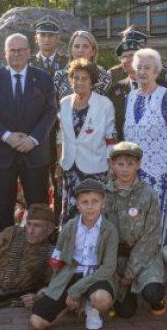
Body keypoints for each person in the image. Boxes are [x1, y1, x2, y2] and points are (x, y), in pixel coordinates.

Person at [0, 33, 57, 233]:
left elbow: (50, 112)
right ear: (5, 54)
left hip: (34, 152)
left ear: (29, 52)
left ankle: (39, 255)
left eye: (21, 50)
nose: (16, 54)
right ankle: (4, 254)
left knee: (38, 208)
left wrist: (33, 139)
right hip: (3, 153)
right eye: (12, 50)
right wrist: (7, 136)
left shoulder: (43, 78)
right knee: (4, 209)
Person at [31, 180, 117, 330]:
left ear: (103, 203)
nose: (90, 206)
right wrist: (54, 287)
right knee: (37, 322)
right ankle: (72, 305)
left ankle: (92, 309)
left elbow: (108, 268)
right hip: (71, 273)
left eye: (94, 201)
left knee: (101, 299)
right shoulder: (69, 227)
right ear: (78, 205)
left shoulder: (109, 230)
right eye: (85, 202)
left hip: (97, 275)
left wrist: (75, 290)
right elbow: (57, 258)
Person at [123, 48, 167, 248]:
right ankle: (143, 263)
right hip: (135, 174)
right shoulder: (130, 97)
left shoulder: (166, 96)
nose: (142, 71)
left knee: (161, 222)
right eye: (139, 67)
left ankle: (164, 264)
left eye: (147, 67)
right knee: (138, 220)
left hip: (162, 172)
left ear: (157, 72)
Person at [104, 142, 166, 318]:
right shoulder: (105, 194)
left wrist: (131, 272)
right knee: (125, 313)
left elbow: (151, 237)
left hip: (145, 255)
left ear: (138, 164)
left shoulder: (148, 193)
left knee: (153, 293)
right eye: (120, 164)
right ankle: (127, 293)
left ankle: (155, 294)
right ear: (112, 164)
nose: (125, 170)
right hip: (117, 258)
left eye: (130, 164)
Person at [57, 59, 117, 222]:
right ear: (70, 80)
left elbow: (110, 137)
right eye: (76, 78)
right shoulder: (63, 103)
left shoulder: (104, 104)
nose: (80, 82)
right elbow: (61, 135)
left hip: (95, 168)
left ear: (92, 82)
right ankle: (71, 246)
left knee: (92, 213)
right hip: (70, 168)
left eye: (85, 78)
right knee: (71, 213)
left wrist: (111, 165)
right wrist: (59, 163)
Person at [30, 18, 68, 221]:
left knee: (60, 177)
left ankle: (58, 224)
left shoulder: (67, 63)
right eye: (42, 35)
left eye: (50, 35)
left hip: (62, 128)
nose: (46, 39)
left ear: (57, 38)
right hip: (37, 131)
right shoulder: (28, 64)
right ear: (36, 38)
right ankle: (40, 223)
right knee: (38, 180)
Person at [52, 30, 112, 100]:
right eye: (77, 46)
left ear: (93, 51)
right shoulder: (60, 77)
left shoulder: (104, 77)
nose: (80, 50)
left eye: (85, 47)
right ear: (71, 51)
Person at [108, 40, 142, 140]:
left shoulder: (161, 86)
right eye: (123, 57)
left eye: (131, 55)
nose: (127, 60)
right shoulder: (114, 91)